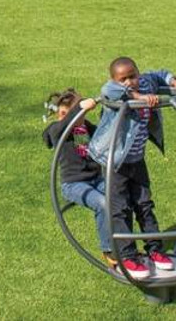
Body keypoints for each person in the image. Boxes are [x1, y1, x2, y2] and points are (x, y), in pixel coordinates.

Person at [88, 57, 176, 278]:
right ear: (115, 79)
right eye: (123, 78)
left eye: (132, 76)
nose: (129, 82)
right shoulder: (114, 90)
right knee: (120, 209)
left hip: (137, 160)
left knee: (144, 204)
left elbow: (159, 73)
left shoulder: (145, 82)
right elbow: (109, 90)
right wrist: (138, 97)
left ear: (138, 73)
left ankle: (155, 251)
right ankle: (128, 256)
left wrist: (175, 81)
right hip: (115, 163)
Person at [43, 89, 117, 266]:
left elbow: (105, 134)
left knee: (120, 195)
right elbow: (60, 129)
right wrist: (78, 110)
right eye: (64, 114)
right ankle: (109, 250)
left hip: (96, 180)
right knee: (102, 203)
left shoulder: (85, 128)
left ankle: (125, 247)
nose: (79, 117)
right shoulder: (57, 129)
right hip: (74, 184)